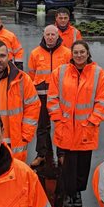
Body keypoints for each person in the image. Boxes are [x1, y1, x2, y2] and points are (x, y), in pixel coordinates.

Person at [48, 40, 104, 207]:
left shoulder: (99, 74)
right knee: (67, 164)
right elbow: (52, 98)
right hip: (65, 127)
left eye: (82, 52)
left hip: (86, 129)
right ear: (71, 54)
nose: (79, 55)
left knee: (82, 165)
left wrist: (92, 121)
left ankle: (78, 192)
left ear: (88, 53)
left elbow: (103, 101)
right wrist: (58, 118)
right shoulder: (60, 73)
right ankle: (69, 194)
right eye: (76, 52)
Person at [27, 25, 71, 168]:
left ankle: (62, 154)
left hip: (61, 97)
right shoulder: (35, 53)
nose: (50, 37)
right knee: (42, 127)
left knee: (61, 125)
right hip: (42, 96)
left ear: (58, 36)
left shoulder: (67, 53)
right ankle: (42, 154)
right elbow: (31, 75)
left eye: (53, 34)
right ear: (43, 35)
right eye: (48, 35)